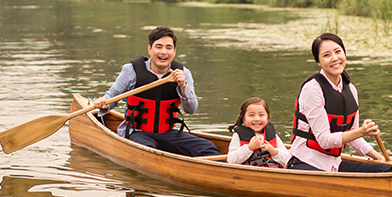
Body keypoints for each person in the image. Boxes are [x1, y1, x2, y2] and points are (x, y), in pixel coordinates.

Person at [97, 26, 220, 157]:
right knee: (150, 151)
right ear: (150, 49)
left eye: (168, 47)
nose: (163, 52)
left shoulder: (183, 73)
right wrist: (104, 103)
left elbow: (191, 109)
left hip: (168, 133)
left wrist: (183, 86)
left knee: (208, 149)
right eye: (159, 47)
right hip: (137, 132)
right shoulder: (131, 70)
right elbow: (112, 96)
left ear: (174, 51)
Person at [287, 31, 392, 173]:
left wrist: (380, 158)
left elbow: (353, 136)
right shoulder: (312, 89)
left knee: (384, 169)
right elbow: (324, 140)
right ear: (318, 62)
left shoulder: (350, 89)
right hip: (305, 162)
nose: (334, 58)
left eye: (338, 52)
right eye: (326, 55)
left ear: (344, 53)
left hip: (334, 165)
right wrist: (362, 132)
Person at [226, 97, 289, 168]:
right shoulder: (238, 135)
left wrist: (274, 152)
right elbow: (231, 160)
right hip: (249, 172)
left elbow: (287, 160)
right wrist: (249, 148)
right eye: (251, 115)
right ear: (244, 119)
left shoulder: (272, 135)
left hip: (273, 172)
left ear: (267, 117)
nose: (256, 119)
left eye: (261, 115)